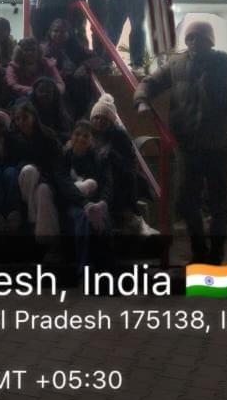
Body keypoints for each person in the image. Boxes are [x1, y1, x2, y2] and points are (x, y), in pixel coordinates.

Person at [134, 21, 227, 263]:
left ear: (210, 41)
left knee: (219, 201)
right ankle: (199, 251)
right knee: (186, 200)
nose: (194, 42)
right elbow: (150, 82)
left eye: (200, 38)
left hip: (220, 145)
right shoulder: (176, 64)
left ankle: (216, 253)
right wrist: (142, 100)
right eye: (190, 37)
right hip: (188, 145)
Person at [89, 94, 158, 238]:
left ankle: (133, 218)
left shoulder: (119, 135)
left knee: (116, 174)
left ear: (111, 121)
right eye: (96, 117)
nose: (99, 122)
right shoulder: (87, 134)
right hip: (97, 177)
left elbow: (129, 164)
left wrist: (111, 156)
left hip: (120, 176)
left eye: (104, 119)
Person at [49, 121, 112, 270]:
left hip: (95, 203)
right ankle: (85, 267)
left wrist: (102, 203)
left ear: (92, 139)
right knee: (83, 218)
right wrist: (85, 204)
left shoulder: (99, 158)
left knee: (104, 221)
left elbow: (107, 183)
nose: (81, 138)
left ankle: (106, 269)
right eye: (77, 134)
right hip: (71, 204)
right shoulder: (63, 157)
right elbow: (65, 186)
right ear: (71, 136)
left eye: (86, 135)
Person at [11, 102, 62, 237]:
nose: (21, 122)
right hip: (24, 181)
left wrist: (43, 177)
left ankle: (47, 237)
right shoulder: (13, 139)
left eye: (25, 117)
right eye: (17, 119)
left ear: (33, 116)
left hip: (47, 179)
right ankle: (32, 216)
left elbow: (56, 163)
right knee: (30, 170)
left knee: (43, 190)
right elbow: (14, 163)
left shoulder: (48, 135)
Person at [44, 17, 102, 121]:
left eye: (63, 31)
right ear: (50, 32)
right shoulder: (45, 50)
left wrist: (84, 66)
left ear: (69, 33)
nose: (59, 34)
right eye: (55, 31)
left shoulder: (76, 47)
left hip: (76, 84)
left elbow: (96, 58)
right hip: (56, 85)